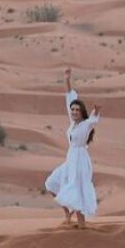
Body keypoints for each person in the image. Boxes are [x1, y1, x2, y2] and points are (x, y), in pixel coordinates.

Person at [45, 67, 101, 229]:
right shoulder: (72, 123)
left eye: (77, 110)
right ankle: (67, 212)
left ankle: (82, 227)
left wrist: (96, 111)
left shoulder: (85, 125)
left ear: (82, 112)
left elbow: (93, 121)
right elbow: (70, 97)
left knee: (78, 191)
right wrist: (67, 80)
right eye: (73, 110)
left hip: (80, 161)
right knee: (50, 184)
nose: (74, 111)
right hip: (70, 160)